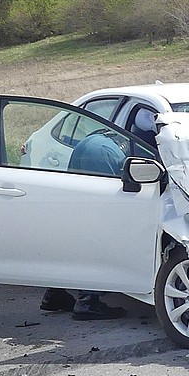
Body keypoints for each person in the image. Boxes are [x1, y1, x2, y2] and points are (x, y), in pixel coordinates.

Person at [43, 129, 132, 320]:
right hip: (102, 169)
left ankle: (54, 293)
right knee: (99, 238)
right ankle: (87, 301)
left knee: (75, 240)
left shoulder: (93, 140)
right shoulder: (112, 152)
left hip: (77, 193)